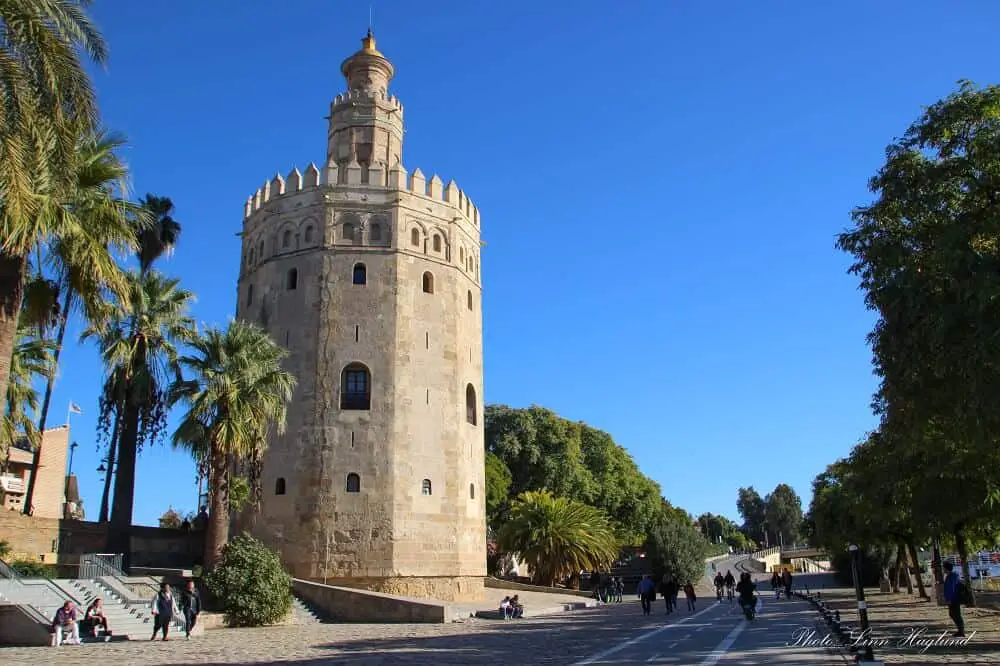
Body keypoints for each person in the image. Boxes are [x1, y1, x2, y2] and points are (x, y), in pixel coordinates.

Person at [942, 562, 965, 637]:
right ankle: (960, 630)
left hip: (953, 598)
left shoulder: (951, 576)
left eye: (943, 568)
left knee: (955, 614)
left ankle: (961, 631)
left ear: (946, 568)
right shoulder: (954, 575)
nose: (943, 569)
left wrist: (949, 599)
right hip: (955, 597)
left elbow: (950, 589)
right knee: (954, 614)